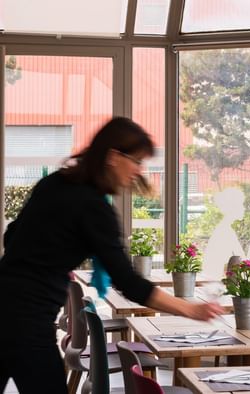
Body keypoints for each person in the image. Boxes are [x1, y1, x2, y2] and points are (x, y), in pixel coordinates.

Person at [0, 117, 224, 393]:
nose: (139, 171)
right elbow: (128, 282)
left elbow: (12, 237)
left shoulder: (54, 182)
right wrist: (191, 309)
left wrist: (53, 258)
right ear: (113, 157)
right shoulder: (94, 207)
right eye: (137, 161)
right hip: (26, 321)